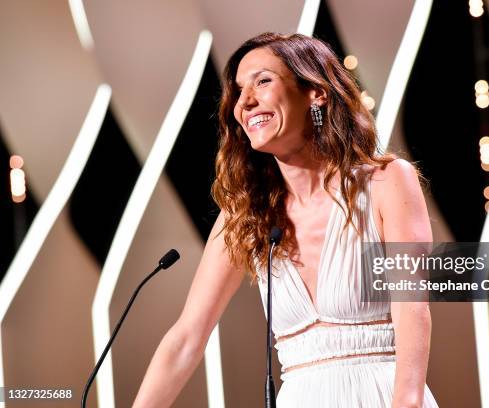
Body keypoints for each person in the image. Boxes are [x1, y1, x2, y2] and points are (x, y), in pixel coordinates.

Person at [133, 32, 438, 408]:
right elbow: (187, 338)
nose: (245, 101)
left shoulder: (387, 182)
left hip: (381, 394)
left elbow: (413, 308)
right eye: (239, 90)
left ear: (316, 92)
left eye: (262, 81)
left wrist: (407, 403)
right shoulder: (245, 214)